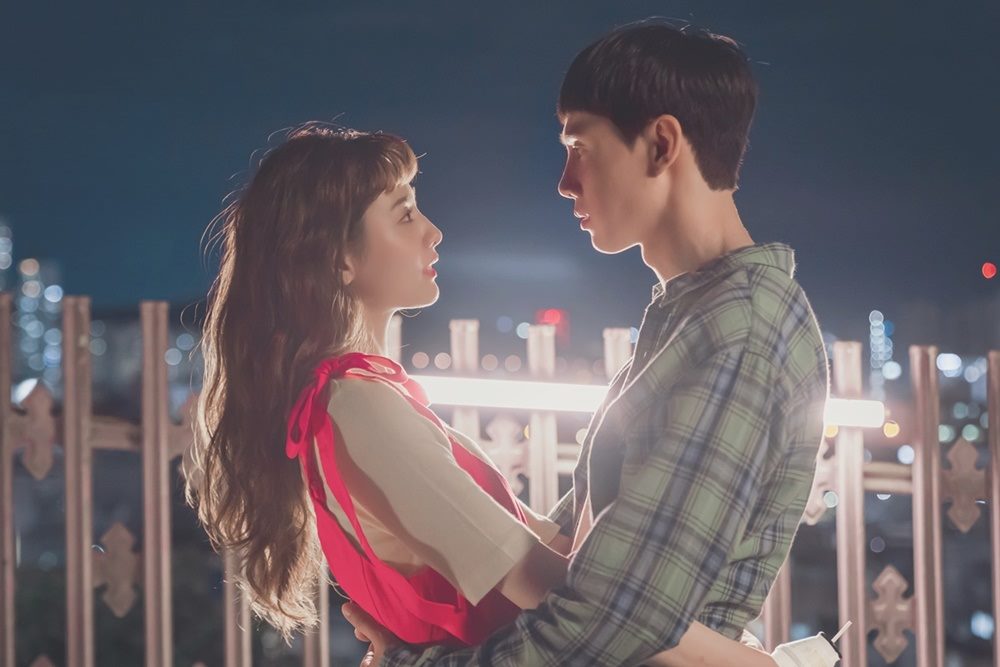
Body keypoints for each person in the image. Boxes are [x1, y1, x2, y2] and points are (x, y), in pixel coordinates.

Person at [184, 123, 780, 667]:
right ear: (339, 258)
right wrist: (747, 663)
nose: (433, 232)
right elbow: (551, 587)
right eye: (405, 215)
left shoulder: (363, 395)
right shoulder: (355, 405)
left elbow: (543, 551)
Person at [341, 19, 830, 667]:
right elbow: (582, 562)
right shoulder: (691, 316)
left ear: (661, 145)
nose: (565, 181)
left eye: (581, 147)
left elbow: (612, 621)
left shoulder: (740, 328)